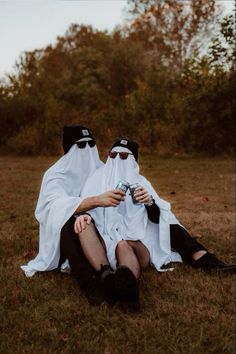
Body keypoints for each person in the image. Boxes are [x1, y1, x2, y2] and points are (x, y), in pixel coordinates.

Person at [76, 137, 236, 310]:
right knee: (112, 240)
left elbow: (160, 218)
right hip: (105, 240)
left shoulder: (141, 182)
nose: (116, 160)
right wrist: (87, 213)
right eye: (113, 154)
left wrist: (149, 202)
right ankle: (124, 291)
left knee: (125, 245)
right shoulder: (96, 179)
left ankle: (129, 287)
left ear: (133, 160)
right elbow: (84, 205)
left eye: (123, 157)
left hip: (138, 243)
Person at [21, 125, 125, 304]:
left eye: (91, 144)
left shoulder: (101, 170)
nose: (87, 150)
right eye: (81, 145)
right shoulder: (56, 174)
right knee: (68, 223)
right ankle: (90, 282)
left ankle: (109, 273)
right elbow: (54, 206)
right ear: (68, 148)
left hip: (98, 229)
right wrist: (95, 201)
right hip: (64, 238)